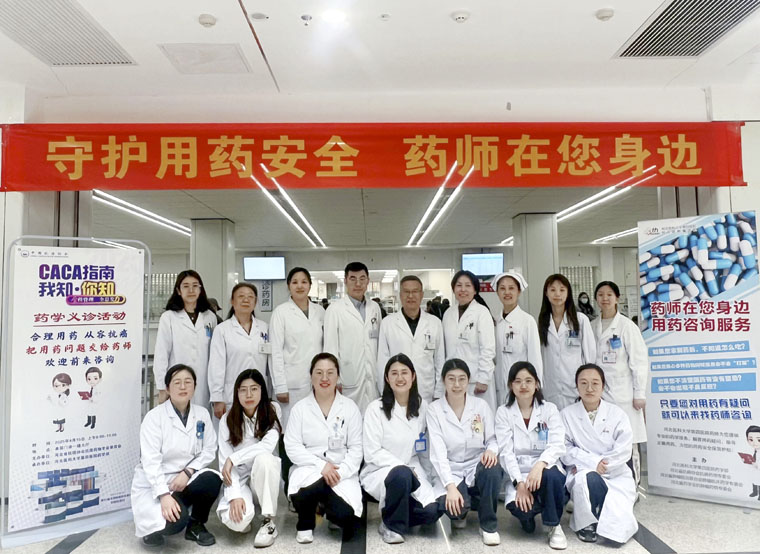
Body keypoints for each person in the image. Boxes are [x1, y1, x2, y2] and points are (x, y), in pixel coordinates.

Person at [131, 364, 222, 548]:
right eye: (177, 382)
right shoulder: (154, 417)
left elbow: (209, 449)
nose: (183, 387)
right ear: (167, 388)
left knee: (212, 479)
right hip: (156, 482)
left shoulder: (202, 414)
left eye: (188, 382)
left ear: (194, 387)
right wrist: (164, 495)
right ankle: (153, 530)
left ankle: (195, 525)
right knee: (174, 522)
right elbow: (151, 461)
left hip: (184, 477)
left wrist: (188, 472)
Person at [361, 354, 441, 544]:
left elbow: (424, 449)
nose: (400, 378)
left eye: (404, 372)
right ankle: (392, 527)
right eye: (394, 373)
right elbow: (372, 452)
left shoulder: (422, 406)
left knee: (433, 512)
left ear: (413, 376)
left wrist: (431, 478)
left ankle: (393, 513)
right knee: (401, 475)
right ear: (387, 378)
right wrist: (402, 468)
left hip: (413, 466)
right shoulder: (375, 409)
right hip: (381, 469)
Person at [284, 353, 363, 544]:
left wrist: (340, 472)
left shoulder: (350, 408)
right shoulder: (300, 409)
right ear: (311, 376)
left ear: (338, 376)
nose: (324, 378)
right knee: (306, 487)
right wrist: (321, 466)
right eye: (319, 373)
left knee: (348, 518)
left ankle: (325, 506)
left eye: (330, 373)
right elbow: (292, 446)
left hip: (340, 471)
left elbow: (356, 448)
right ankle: (305, 523)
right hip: (310, 468)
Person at [427, 359, 503, 546]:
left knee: (493, 469)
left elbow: (492, 439)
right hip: (450, 468)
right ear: (443, 381)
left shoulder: (480, 406)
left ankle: (488, 526)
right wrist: (451, 487)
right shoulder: (434, 410)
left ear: (468, 381)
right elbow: (438, 454)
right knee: (453, 509)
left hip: (475, 465)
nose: (457, 384)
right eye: (451, 379)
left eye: (462, 379)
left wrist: (491, 451)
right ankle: (461, 510)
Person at [560, 364, 638, 544]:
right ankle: (587, 523)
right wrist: (592, 462)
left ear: (603, 386)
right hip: (582, 470)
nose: (589, 388)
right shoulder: (566, 415)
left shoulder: (617, 414)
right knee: (587, 480)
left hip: (615, 473)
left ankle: (605, 519)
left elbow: (624, 448)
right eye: (583, 383)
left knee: (618, 516)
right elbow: (564, 448)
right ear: (577, 386)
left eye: (595, 383)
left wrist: (603, 465)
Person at [495, 361, 567, 550]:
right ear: (511, 385)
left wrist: (540, 465)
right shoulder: (504, 413)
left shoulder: (549, 409)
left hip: (545, 469)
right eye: (518, 381)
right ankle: (528, 517)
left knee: (552, 476)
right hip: (518, 472)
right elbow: (506, 452)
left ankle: (554, 526)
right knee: (523, 510)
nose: (523, 385)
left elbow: (557, 443)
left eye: (528, 380)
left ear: (536, 384)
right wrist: (519, 483)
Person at [217, 369, 282, 548]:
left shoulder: (273, 410)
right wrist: (235, 496)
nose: (249, 395)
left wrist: (234, 458)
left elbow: (267, 445)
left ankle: (268, 521)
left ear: (262, 390)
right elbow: (225, 465)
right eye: (243, 390)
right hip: (241, 479)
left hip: (264, 476)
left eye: (254, 389)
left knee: (265, 458)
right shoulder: (227, 420)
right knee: (237, 522)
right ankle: (248, 510)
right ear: (236, 393)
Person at [592, 281, 648, 483]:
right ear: (596, 299)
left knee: (628, 442)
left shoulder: (627, 326)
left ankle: (634, 484)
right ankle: (612, 484)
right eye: (600, 294)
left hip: (624, 395)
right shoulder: (592, 326)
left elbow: (639, 361)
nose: (605, 298)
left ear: (617, 298)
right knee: (605, 442)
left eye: (609, 294)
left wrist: (639, 393)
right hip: (600, 394)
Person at [270, 267, 326, 427]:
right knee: (291, 427)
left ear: (310, 285)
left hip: (317, 380)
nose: (300, 286)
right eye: (295, 282)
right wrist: (280, 386)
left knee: (315, 426)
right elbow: (275, 351)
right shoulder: (280, 312)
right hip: (291, 383)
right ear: (289, 286)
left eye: (304, 282)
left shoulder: (320, 311)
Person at [323, 261, 382, 414]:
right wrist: (334, 379)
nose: (358, 284)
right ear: (345, 281)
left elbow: (378, 344)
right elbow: (330, 349)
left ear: (368, 281)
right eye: (353, 279)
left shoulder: (375, 308)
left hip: (372, 376)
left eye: (362, 279)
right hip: (347, 377)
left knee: (372, 417)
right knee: (348, 417)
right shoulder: (334, 310)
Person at [153, 270, 218, 407]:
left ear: (200, 289)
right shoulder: (169, 317)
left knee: (201, 416)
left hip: (203, 382)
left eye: (195, 286)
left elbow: (215, 354)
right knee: (176, 416)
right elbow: (161, 353)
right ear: (178, 290)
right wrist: (162, 387)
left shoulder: (210, 317)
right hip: (176, 380)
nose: (191, 290)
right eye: (186, 286)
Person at [376, 275, 445, 402]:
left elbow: (440, 360)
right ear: (400, 295)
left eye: (415, 291)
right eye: (406, 292)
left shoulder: (435, 323)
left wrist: (439, 393)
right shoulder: (388, 323)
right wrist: (384, 391)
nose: (411, 296)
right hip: (396, 390)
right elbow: (382, 361)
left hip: (426, 390)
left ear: (422, 294)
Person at [208, 283, 269, 420]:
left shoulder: (264, 328)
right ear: (232, 301)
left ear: (255, 302)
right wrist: (217, 398)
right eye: (241, 296)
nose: (246, 300)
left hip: (259, 395)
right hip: (231, 396)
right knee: (231, 431)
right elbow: (216, 366)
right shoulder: (222, 330)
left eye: (250, 297)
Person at [538, 274, 596, 411]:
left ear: (568, 293)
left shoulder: (580, 320)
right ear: (546, 293)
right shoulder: (542, 322)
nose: (557, 294)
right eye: (552, 290)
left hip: (575, 386)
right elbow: (540, 356)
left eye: (562, 290)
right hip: (551, 387)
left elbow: (590, 355)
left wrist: (589, 383)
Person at [441, 270, 496, 410]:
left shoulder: (482, 312)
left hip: (476, 381)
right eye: (459, 285)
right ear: (453, 289)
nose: (463, 289)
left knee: (478, 418)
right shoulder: (448, 314)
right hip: (454, 380)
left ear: (475, 290)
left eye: (468, 285)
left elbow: (488, 348)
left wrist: (483, 378)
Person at [491, 271, 543, 406]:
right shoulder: (495, 322)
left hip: (522, 387)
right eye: (502, 288)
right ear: (497, 292)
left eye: (511, 288)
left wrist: (536, 386)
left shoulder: (527, 321)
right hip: (499, 386)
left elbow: (535, 357)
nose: (507, 292)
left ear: (519, 291)